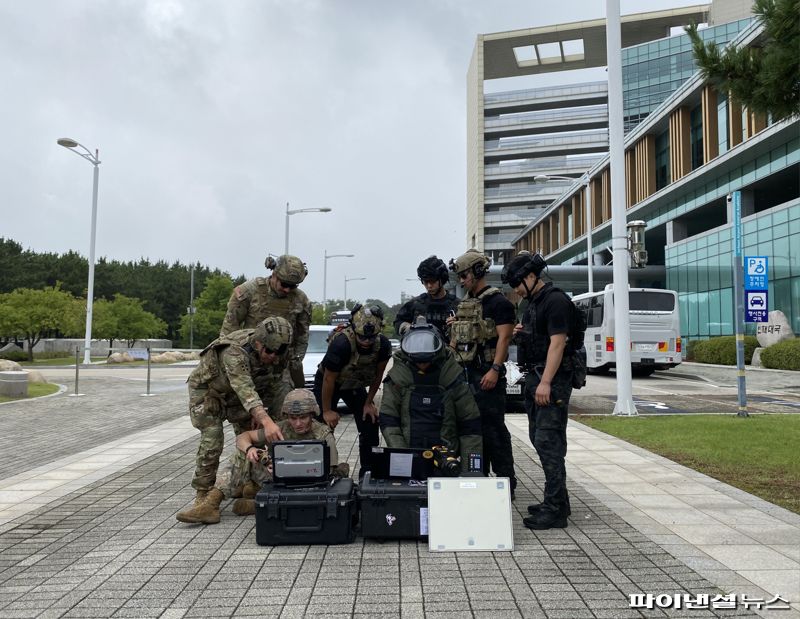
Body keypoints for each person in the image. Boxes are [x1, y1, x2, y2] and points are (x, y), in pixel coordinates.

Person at [176, 316, 293, 525]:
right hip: (209, 392)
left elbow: (275, 383)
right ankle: (204, 498)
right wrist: (264, 418)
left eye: (279, 353)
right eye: (269, 352)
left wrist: (265, 413)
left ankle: (248, 483)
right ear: (258, 344)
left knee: (251, 438)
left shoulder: (278, 351)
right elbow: (245, 389)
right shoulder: (234, 352)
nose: (274, 357)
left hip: (241, 397)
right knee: (212, 439)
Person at [502, 251, 576, 530]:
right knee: (539, 437)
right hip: (536, 376)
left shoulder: (555, 301)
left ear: (532, 276)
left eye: (518, 284)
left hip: (551, 380)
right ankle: (558, 500)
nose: (517, 290)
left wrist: (546, 382)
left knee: (549, 443)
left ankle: (555, 509)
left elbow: (558, 344)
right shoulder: (534, 302)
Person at [200, 389, 349, 520]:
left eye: (303, 417)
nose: (297, 423)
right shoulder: (279, 428)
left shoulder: (323, 434)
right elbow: (242, 438)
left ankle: (258, 501)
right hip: (276, 477)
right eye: (293, 418)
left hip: (310, 485)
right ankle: (211, 503)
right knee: (241, 454)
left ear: (312, 415)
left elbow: (329, 473)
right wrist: (250, 448)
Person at [447, 249, 518, 497]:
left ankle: (506, 482)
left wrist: (495, 370)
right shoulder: (465, 303)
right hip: (467, 374)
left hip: (487, 375)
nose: (462, 280)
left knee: (494, 429)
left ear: (477, 271)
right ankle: (481, 478)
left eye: (464, 275)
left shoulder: (498, 302)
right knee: (472, 430)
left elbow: (504, 338)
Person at [380, 317, 482, 473]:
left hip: (446, 459)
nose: (423, 365)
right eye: (419, 363)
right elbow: (389, 419)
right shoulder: (398, 377)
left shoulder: (452, 375)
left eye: (426, 361)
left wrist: (472, 471)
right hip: (409, 454)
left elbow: (470, 423)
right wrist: (401, 456)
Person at [313, 304, 391, 479]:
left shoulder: (383, 345)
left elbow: (378, 375)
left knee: (370, 422)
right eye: (362, 337)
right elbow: (328, 379)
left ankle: (369, 471)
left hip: (354, 385)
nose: (366, 342)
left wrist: (368, 402)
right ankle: (322, 471)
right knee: (320, 427)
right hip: (328, 383)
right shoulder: (341, 343)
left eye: (370, 338)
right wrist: (326, 411)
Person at [220, 254, 312, 388]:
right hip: (249, 360)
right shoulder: (249, 291)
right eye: (284, 284)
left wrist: (295, 361)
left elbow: (302, 336)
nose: (287, 290)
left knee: (291, 400)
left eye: (293, 286)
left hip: (281, 364)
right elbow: (229, 330)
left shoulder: (301, 300)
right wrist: (231, 361)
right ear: (274, 275)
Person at [393, 255, 459, 337]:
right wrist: (409, 328)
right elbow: (398, 321)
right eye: (425, 282)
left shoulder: (457, 305)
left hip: (449, 348)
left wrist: (457, 325)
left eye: (432, 281)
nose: (429, 286)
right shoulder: (416, 304)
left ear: (442, 279)